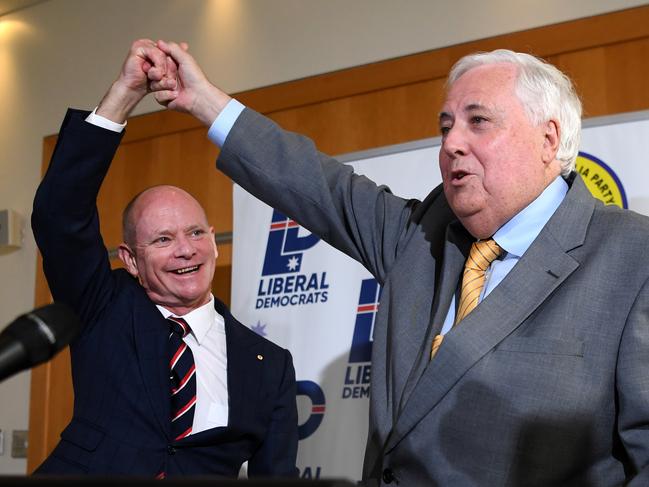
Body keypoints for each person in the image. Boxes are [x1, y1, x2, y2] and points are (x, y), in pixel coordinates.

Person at [145, 39, 649, 486]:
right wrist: (204, 101)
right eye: (447, 125)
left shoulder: (632, 256)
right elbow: (316, 184)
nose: (452, 143)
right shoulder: (424, 232)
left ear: (548, 138)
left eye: (478, 121)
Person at [31, 40, 298, 478]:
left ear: (213, 242)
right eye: (162, 239)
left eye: (195, 233)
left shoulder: (268, 364)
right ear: (130, 260)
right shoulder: (103, 306)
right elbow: (59, 214)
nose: (185, 250)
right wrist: (124, 94)